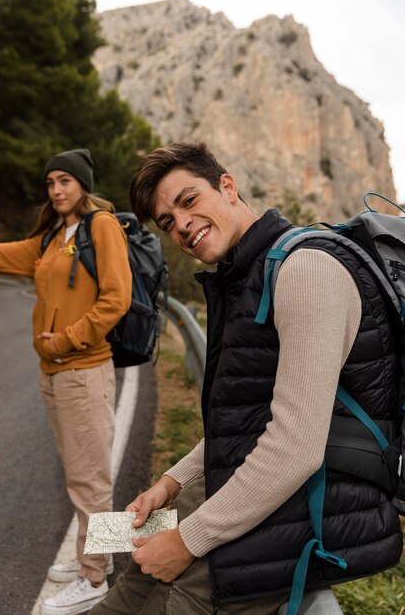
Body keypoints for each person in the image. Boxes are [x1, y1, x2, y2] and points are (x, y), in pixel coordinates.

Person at [90, 141, 402, 615]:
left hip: (307, 513)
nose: (181, 225)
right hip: (257, 489)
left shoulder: (305, 270)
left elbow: (294, 446)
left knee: (166, 596)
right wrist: (171, 485)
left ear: (228, 187)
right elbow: (252, 417)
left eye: (188, 201)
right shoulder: (247, 277)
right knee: (131, 584)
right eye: (167, 222)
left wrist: (188, 541)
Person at [0, 149, 132, 615]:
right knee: (78, 472)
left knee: (91, 478)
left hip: (84, 369)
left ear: (83, 184)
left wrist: (65, 340)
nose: (56, 190)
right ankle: (88, 558)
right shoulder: (53, 235)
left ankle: (96, 576)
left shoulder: (100, 227)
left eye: (65, 180)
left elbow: (116, 299)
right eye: (50, 182)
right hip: (54, 375)